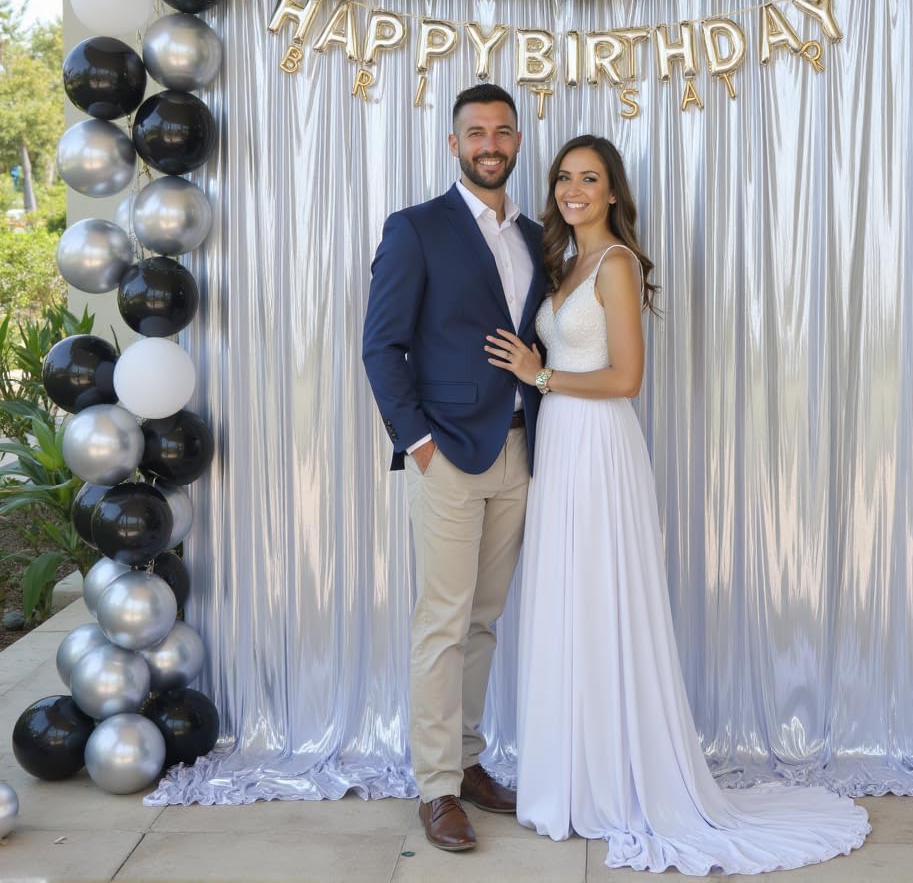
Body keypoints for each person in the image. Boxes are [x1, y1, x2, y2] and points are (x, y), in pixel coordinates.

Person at [487, 135, 871, 876]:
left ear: (613, 192)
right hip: (560, 446)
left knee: (603, 598)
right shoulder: (561, 264)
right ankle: (571, 776)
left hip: (599, 444)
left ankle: (615, 778)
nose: (573, 190)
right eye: (564, 177)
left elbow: (626, 378)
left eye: (589, 178)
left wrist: (541, 377)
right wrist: (541, 383)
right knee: (567, 598)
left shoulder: (617, 264)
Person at [362, 84, 547, 853]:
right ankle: (436, 787)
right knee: (442, 620)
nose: (490, 144)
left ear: (517, 141)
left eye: (502, 131)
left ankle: (468, 763)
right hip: (447, 454)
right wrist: (418, 444)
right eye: (476, 132)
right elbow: (382, 345)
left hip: (522, 451)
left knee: (482, 619)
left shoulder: (537, 235)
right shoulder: (416, 228)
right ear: (454, 144)